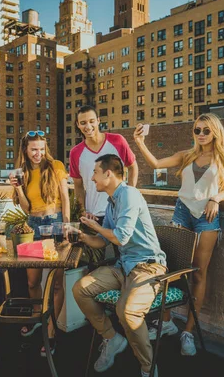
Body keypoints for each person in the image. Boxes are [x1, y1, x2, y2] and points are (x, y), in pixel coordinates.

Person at [133, 113, 224, 356]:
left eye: (205, 130)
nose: (200, 134)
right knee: (170, 268)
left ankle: (188, 331)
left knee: (199, 273)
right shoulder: (187, 155)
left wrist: (214, 199)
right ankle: (167, 321)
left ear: (215, 133)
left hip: (206, 217)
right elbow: (156, 164)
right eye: (197, 130)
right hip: (182, 212)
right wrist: (139, 143)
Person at [73, 154, 167, 377]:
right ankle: (112, 338)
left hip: (148, 267)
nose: (92, 178)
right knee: (80, 289)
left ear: (108, 173)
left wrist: (96, 227)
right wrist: (84, 236)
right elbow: (104, 241)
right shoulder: (111, 201)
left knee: (128, 312)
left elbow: (121, 237)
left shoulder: (129, 195)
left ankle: (148, 367)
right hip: (123, 266)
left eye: (95, 173)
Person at [9, 130, 70, 356]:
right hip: (33, 224)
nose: (38, 153)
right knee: (32, 280)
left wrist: (66, 226)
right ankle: (37, 318)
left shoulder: (56, 166)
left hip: (55, 223)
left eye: (41, 148)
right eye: (34, 149)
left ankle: (51, 330)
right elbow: (26, 209)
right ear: (25, 150)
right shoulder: (23, 172)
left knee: (55, 282)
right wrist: (17, 187)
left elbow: (65, 197)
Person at [70, 105, 138, 260]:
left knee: (124, 257)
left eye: (92, 121)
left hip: (119, 212)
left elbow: (133, 167)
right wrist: (82, 211)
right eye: (83, 123)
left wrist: (129, 198)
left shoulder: (117, 141)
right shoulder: (76, 153)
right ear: (78, 125)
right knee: (94, 263)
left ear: (98, 121)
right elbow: (78, 187)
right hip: (93, 216)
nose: (88, 126)